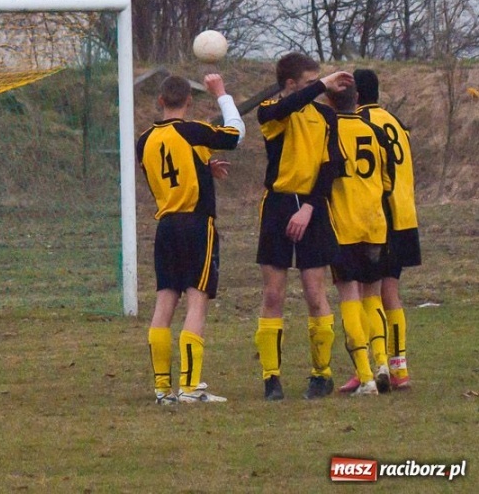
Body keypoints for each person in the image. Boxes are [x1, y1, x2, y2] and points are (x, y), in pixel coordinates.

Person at [138, 73, 245, 404]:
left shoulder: (144, 140)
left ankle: (161, 389)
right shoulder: (194, 130)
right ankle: (189, 387)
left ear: (159, 101)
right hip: (196, 224)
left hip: (166, 226)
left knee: (165, 302)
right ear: (188, 102)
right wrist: (222, 94)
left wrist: (203, 166)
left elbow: (169, 172)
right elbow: (236, 135)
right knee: (197, 301)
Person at [253, 53, 353, 401]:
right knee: (273, 294)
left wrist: (310, 207)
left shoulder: (325, 115)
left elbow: (329, 168)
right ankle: (271, 378)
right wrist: (321, 86)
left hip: (312, 208)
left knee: (315, 294)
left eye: (318, 81)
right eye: (310, 82)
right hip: (278, 206)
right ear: (292, 84)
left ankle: (321, 374)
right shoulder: (270, 110)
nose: (318, 88)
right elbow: (285, 108)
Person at [323, 84, 395, 396]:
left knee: (349, 298)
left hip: (345, 225)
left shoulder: (329, 132)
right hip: (375, 223)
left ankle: (365, 377)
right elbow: (387, 181)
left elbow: (325, 177)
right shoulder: (376, 132)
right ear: (357, 101)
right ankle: (382, 363)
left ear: (329, 101)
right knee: (373, 297)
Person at [351, 68, 421, 391]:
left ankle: (370, 363)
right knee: (391, 292)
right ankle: (399, 367)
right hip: (406, 216)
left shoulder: (361, 125)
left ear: (354, 95)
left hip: (381, 217)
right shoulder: (397, 124)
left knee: (371, 293)